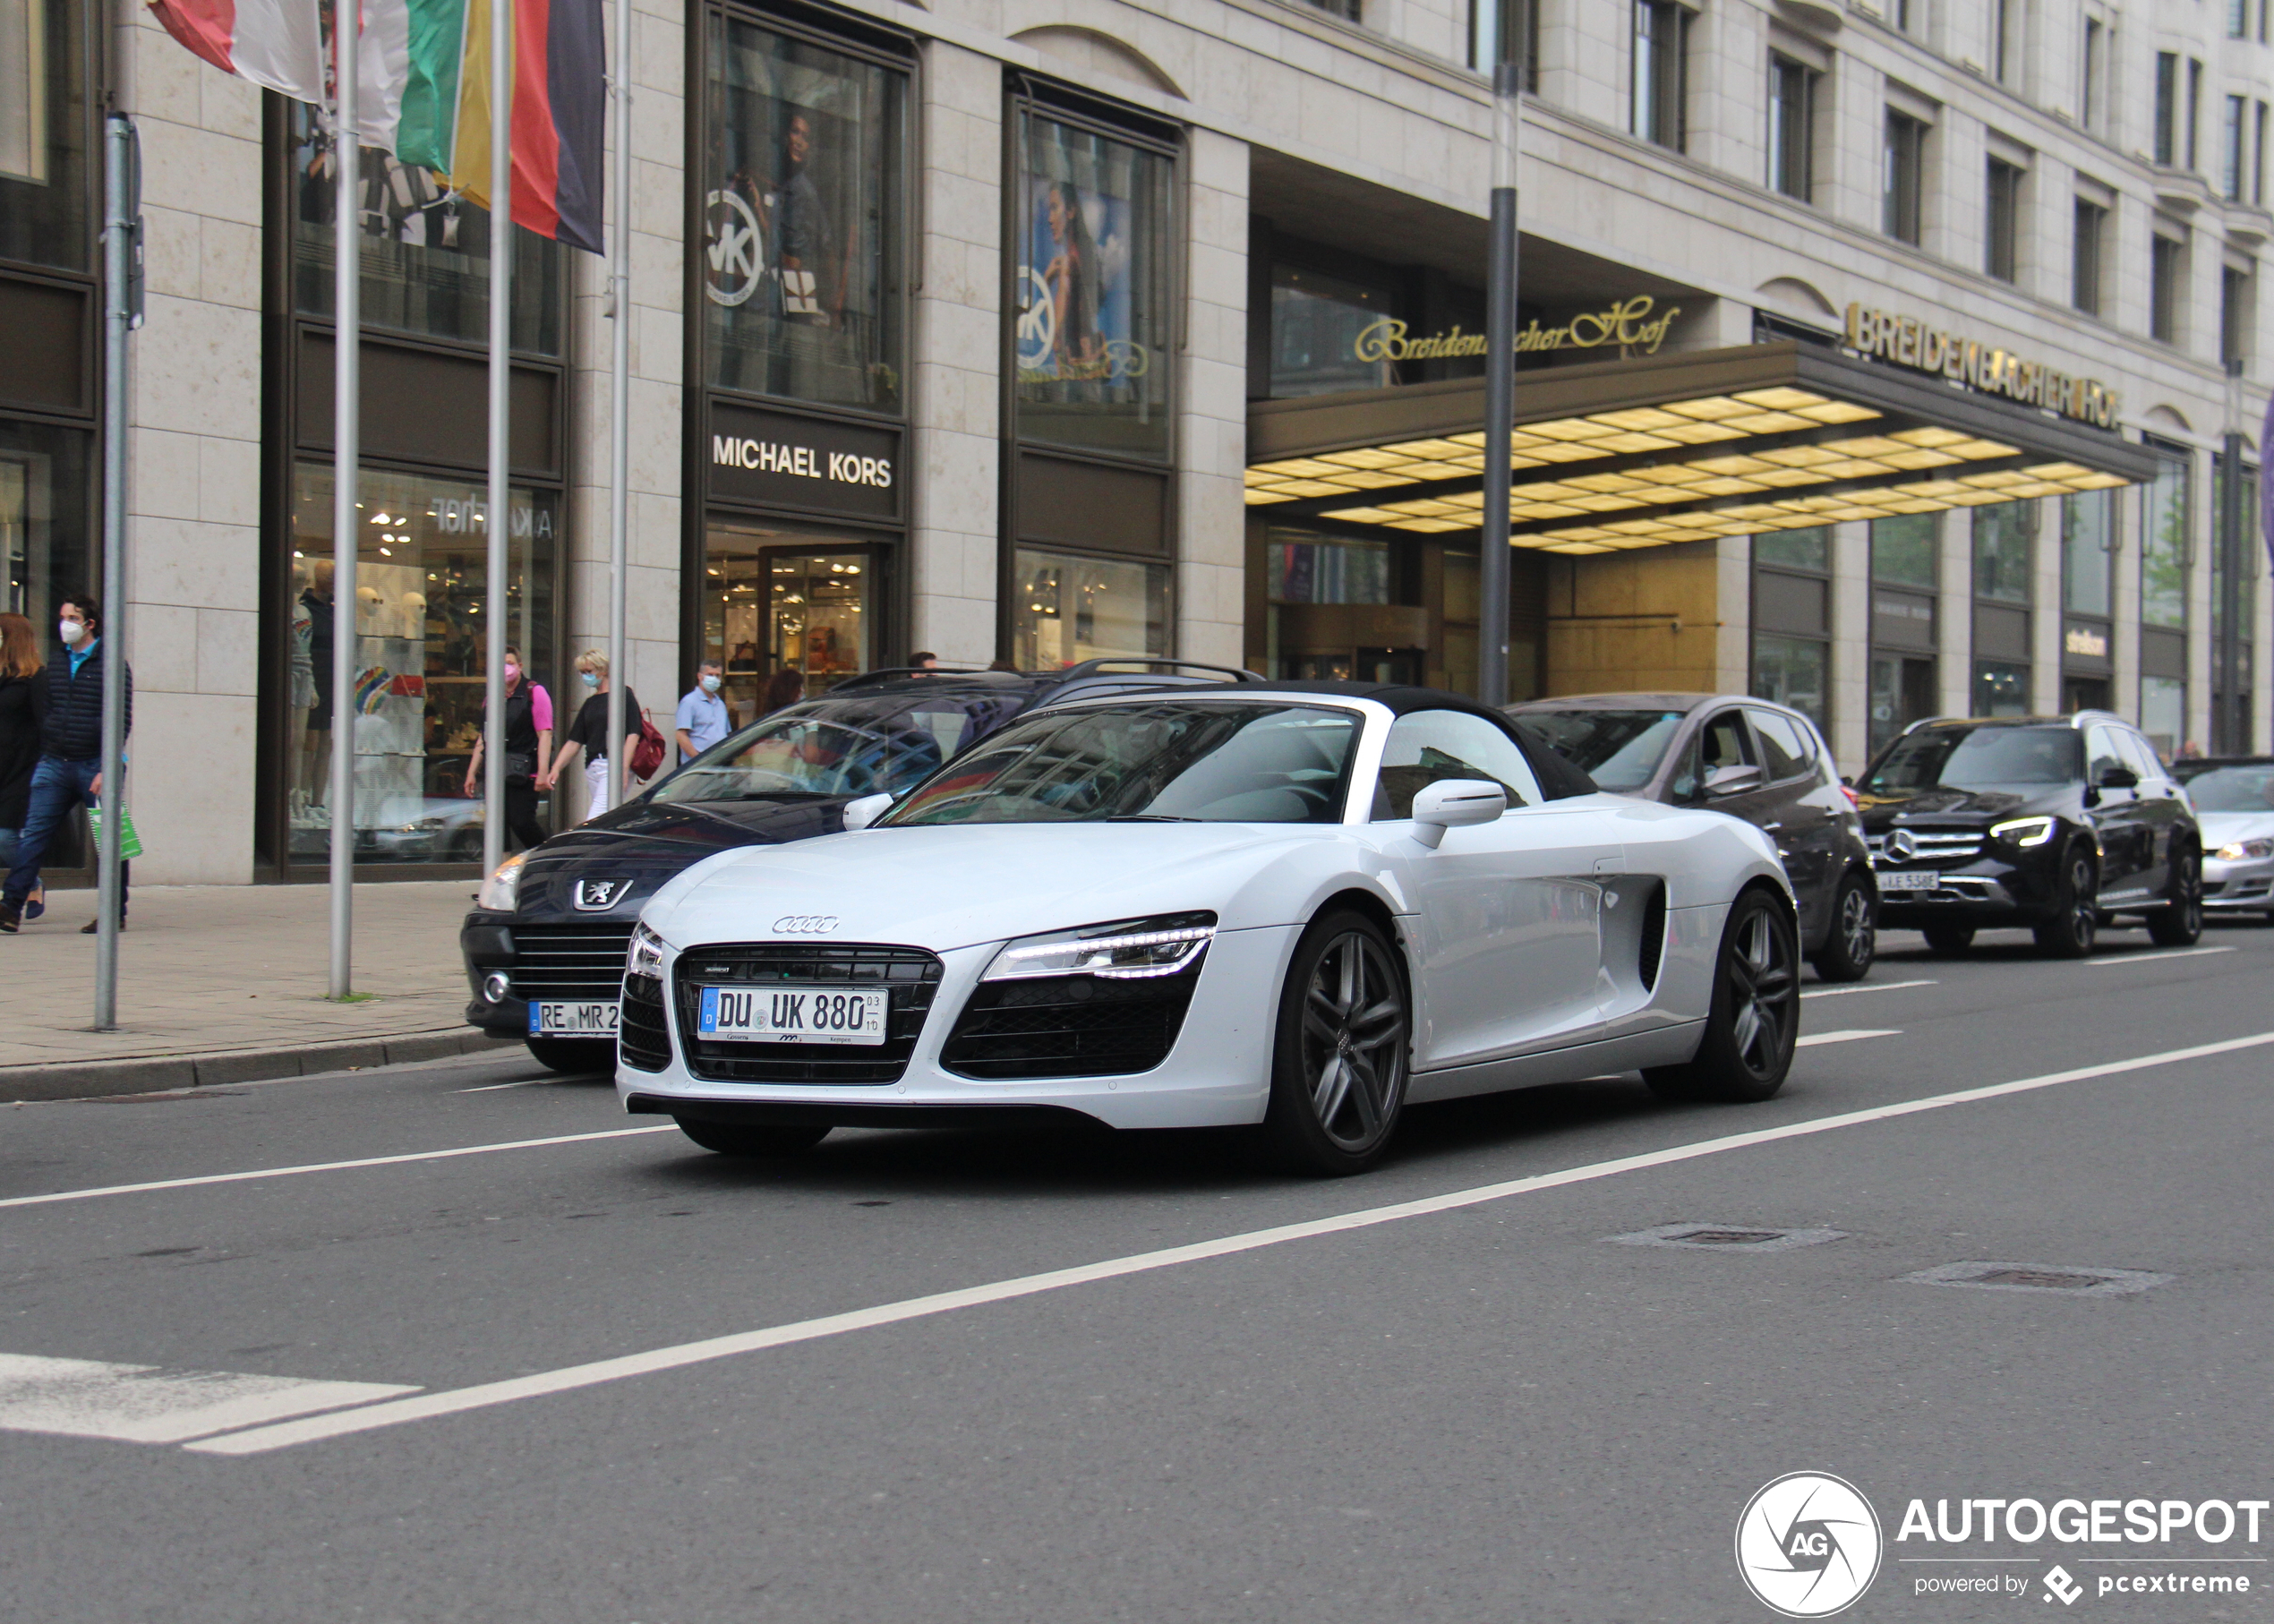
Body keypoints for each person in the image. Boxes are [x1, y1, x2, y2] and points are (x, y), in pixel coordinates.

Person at [2, 594, 130, 934]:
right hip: (55, 762)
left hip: (95, 764)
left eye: (73, 618)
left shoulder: (112, 663)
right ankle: (11, 906)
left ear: (89, 624)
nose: (65, 624)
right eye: (63, 617)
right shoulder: (58, 663)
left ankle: (114, 911)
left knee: (112, 839)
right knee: (33, 836)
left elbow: (121, 717)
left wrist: (108, 766)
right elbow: (49, 711)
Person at [464, 644, 551, 852]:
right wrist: (471, 772)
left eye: (510, 663)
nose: (505, 668)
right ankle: (501, 873)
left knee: (521, 821)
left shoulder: (534, 692)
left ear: (520, 666)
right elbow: (483, 738)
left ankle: (546, 855)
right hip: (496, 770)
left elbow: (545, 733)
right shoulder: (492, 699)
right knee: (497, 826)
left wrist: (543, 771)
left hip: (523, 769)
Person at [542, 650, 641, 823]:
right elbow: (575, 740)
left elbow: (633, 733)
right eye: (582, 672)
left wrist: (623, 769)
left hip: (614, 764)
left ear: (603, 670)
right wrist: (556, 768)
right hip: (594, 766)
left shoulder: (623, 694)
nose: (585, 676)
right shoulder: (591, 703)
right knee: (608, 820)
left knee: (596, 819)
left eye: (589, 671)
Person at [0, 614, 47, 923]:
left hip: (21, 768)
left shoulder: (35, 679)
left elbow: (47, 724)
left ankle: (31, 882)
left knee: (5, 836)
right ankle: (28, 884)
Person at [676, 660, 730, 763]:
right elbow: (681, 735)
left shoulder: (720, 704)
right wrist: (698, 760)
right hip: (698, 765)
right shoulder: (689, 702)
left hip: (719, 763)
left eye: (717, 676)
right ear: (700, 676)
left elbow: (725, 733)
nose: (714, 679)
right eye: (710, 675)